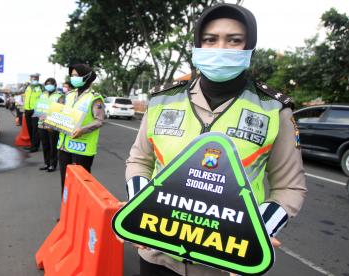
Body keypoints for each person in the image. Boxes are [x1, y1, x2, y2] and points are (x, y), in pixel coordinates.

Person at [125, 4, 307, 276]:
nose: (220, 48)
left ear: (250, 47)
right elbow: (139, 160)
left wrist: (258, 231)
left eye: (234, 40)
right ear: (198, 46)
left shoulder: (274, 109)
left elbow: (290, 187)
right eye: (210, 39)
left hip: (224, 263)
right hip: (156, 255)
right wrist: (140, 208)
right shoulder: (162, 99)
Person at [57, 64, 105, 193]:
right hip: (64, 145)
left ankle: (80, 212)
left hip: (82, 148)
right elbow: (61, 113)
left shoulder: (95, 98)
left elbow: (99, 121)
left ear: (86, 77)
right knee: (65, 180)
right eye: (72, 75)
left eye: (76, 76)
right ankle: (66, 212)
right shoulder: (69, 95)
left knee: (81, 185)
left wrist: (82, 130)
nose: (73, 78)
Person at [38, 77, 64, 172]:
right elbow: (39, 108)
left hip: (53, 125)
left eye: (51, 84)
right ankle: (46, 163)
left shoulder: (60, 96)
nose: (48, 86)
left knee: (53, 145)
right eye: (47, 84)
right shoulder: (43, 95)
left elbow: (61, 111)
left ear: (55, 85)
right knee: (45, 145)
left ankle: (53, 164)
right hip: (42, 123)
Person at [23, 74, 42, 152]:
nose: (34, 80)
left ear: (38, 79)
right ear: (30, 79)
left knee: (35, 129)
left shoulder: (41, 87)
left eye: (36, 79)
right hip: (27, 109)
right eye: (33, 78)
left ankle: (35, 146)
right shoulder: (28, 87)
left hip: (36, 110)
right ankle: (32, 144)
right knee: (30, 128)